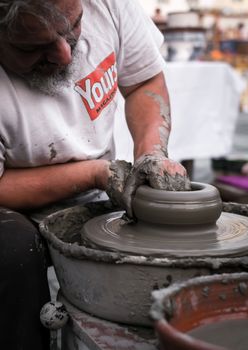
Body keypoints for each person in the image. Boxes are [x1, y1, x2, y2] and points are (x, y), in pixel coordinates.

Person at [0, 0, 190, 348]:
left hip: (99, 191)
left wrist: (151, 151)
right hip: (14, 216)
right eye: (33, 46)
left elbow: (143, 80)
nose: (64, 55)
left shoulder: (108, 3)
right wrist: (93, 173)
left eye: (74, 27)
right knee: (12, 252)